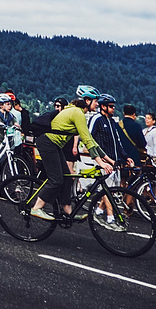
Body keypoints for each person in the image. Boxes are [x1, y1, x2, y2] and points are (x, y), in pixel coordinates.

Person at [31, 86, 115, 221]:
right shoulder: (78, 113)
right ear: (87, 100)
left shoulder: (77, 112)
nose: (97, 104)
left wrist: (108, 159)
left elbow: (91, 139)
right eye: (95, 101)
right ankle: (36, 208)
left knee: (67, 178)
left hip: (54, 144)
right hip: (47, 143)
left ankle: (67, 212)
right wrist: (101, 163)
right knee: (56, 179)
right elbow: (87, 139)